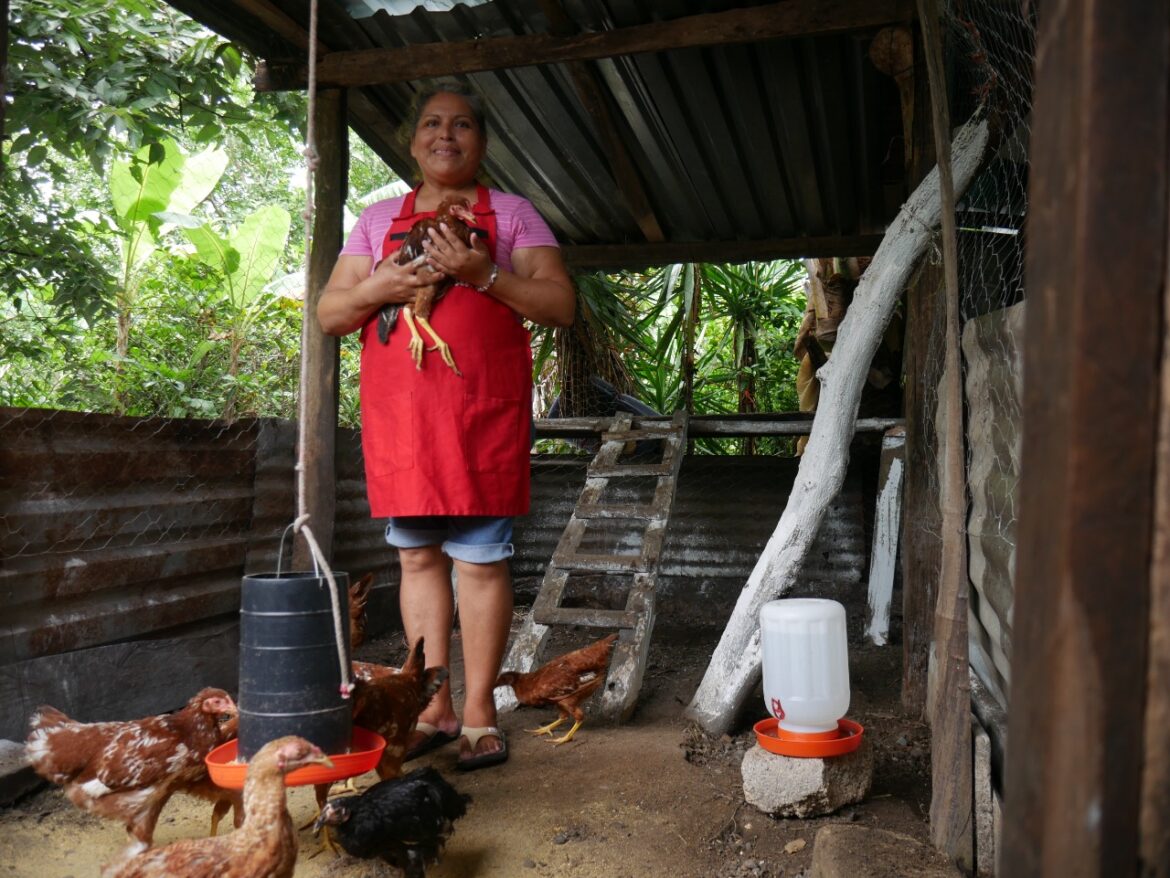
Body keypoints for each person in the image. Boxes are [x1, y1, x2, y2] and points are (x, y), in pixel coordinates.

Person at [317, 80, 575, 771]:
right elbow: (331, 314)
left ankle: (479, 713)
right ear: (413, 142)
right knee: (415, 558)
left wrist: (482, 272)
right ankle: (431, 707)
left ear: (481, 142)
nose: (446, 135)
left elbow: (559, 303)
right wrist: (384, 286)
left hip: (479, 414)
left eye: (462, 124)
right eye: (432, 123)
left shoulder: (515, 213)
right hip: (404, 417)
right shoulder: (376, 220)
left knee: (482, 563)